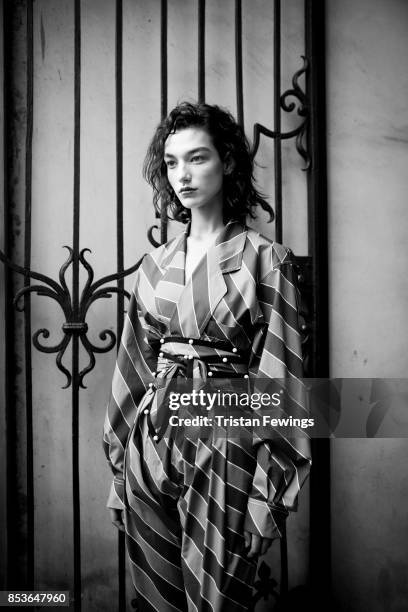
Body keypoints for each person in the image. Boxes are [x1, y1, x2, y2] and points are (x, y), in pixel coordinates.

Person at [103, 101, 311, 611]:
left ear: (229, 163)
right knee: (157, 601)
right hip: (149, 449)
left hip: (224, 443)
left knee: (215, 602)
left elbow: (282, 383)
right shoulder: (155, 265)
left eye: (196, 158)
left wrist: (269, 498)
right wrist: (118, 475)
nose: (182, 175)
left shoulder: (265, 259)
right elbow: (132, 369)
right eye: (172, 162)